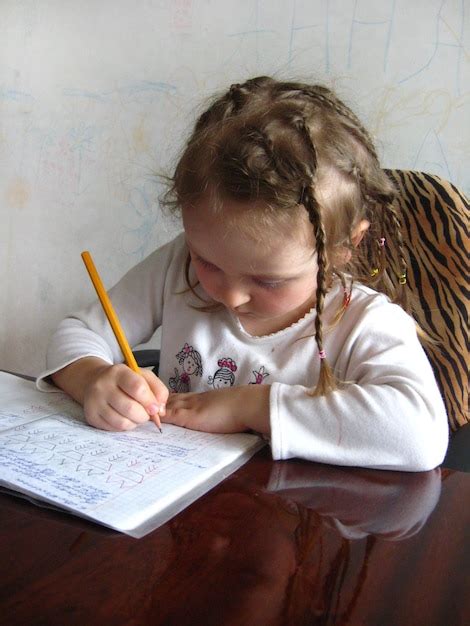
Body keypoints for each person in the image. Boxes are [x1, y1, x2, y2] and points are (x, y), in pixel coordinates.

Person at [37, 76, 449, 470]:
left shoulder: (364, 322)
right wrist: (91, 378)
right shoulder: (177, 266)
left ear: (343, 247)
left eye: (268, 281)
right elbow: (78, 332)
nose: (230, 296)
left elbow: (419, 434)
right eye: (209, 262)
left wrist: (250, 406)